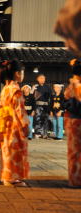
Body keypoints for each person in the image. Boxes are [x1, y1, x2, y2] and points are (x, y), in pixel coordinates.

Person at [0, 60, 29, 187]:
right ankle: (12, 178)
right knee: (14, 150)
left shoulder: (5, 88)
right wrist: (25, 125)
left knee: (7, 150)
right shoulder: (15, 89)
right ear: (17, 74)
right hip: (14, 123)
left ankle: (6, 176)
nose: (23, 74)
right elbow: (20, 110)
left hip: (5, 122)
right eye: (22, 72)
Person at [64, 59, 81, 187]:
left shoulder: (71, 85)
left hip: (72, 120)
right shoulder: (78, 85)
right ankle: (77, 179)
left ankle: (73, 179)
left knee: (73, 151)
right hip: (79, 120)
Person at [32, 74, 52, 139]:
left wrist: (50, 107)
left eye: (43, 78)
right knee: (38, 119)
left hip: (46, 106)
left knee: (45, 119)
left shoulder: (48, 87)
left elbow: (50, 97)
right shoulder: (35, 86)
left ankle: (45, 134)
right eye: (40, 78)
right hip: (37, 105)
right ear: (37, 79)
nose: (42, 79)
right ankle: (37, 133)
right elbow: (32, 97)